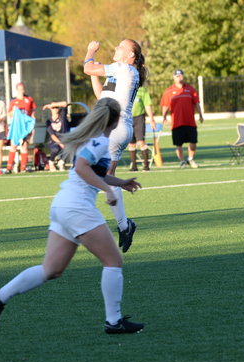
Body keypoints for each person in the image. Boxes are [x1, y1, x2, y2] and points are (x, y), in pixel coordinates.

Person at [0, 98, 144, 334]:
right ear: (115, 120)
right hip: (78, 208)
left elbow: (93, 171)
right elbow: (81, 168)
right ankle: (114, 321)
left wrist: (119, 183)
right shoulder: (101, 140)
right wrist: (109, 191)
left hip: (63, 205)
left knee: (51, 269)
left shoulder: (92, 138)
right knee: (113, 262)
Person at [83, 38, 147, 253]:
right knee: (104, 177)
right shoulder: (121, 72)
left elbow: (87, 67)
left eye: (121, 47)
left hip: (114, 127)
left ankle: (90, 226)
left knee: (87, 172)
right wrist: (94, 73)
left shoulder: (124, 68)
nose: (116, 48)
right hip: (119, 129)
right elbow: (101, 95)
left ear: (131, 55)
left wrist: (90, 51)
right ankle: (124, 226)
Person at [160, 69, 204, 168]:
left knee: (193, 142)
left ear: (183, 77)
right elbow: (165, 105)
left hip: (190, 121)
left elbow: (197, 103)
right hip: (177, 122)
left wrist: (200, 115)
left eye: (180, 76)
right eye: (177, 76)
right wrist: (164, 117)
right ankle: (182, 161)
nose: (179, 78)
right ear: (173, 78)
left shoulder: (190, 89)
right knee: (178, 144)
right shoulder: (169, 91)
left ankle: (190, 159)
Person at [6, 82, 36, 173]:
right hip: (17, 127)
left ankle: (23, 168)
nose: (21, 91)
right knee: (13, 146)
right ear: (16, 90)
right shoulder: (13, 102)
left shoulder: (29, 99)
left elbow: (33, 113)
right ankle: (9, 168)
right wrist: (14, 111)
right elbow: (10, 114)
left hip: (25, 127)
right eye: (19, 89)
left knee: (24, 146)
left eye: (22, 89)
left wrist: (32, 126)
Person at [128, 85, 157, 172]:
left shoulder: (142, 90)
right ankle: (134, 166)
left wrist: (151, 119)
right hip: (128, 118)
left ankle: (146, 165)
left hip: (139, 118)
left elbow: (147, 105)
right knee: (131, 143)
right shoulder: (124, 89)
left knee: (141, 142)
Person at [42, 101, 71, 171]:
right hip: (54, 141)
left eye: (56, 107)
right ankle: (51, 162)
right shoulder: (49, 121)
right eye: (53, 108)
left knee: (70, 147)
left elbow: (65, 103)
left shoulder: (62, 116)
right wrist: (60, 143)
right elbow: (52, 135)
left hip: (64, 139)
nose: (55, 109)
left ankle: (61, 162)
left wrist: (52, 105)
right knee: (56, 149)